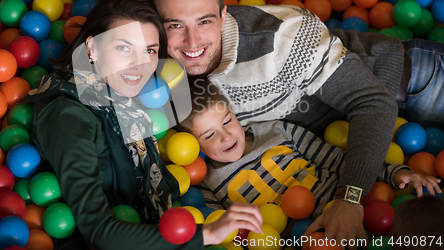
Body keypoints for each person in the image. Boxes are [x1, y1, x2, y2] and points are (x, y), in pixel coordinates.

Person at [147, 0, 444, 244]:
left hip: (411, 80)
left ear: (223, 15)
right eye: (175, 25)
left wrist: (349, 198)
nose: (192, 41)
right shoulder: (164, 69)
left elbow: (372, 100)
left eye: (204, 21)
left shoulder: (283, 37)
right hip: (343, 139)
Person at [21, 0, 263, 250]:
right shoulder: (67, 115)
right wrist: (206, 234)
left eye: (149, 50)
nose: (139, 64)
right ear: (92, 48)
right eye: (124, 47)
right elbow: (98, 231)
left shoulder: (122, 101)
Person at [177, 77, 440, 221]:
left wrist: (394, 173)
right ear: (191, 146)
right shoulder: (205, 183)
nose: (226, 136)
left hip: (355, 206)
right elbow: (221, 226)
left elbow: (339, 160)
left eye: (227, 121)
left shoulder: (277, 130)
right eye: (209, 135)